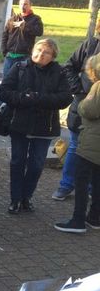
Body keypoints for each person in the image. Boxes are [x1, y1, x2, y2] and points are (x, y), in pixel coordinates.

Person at [0, 38, 72, 214]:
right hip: (20, 124)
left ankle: (26, 197)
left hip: (44, 126)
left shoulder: (59, 73)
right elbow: (4, 91)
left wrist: (39, 98)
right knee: (17, 161)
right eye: (38, 50)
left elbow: (65, 98)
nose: (40, 54)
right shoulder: (20, 68)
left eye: (46, 52)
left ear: (53, 56)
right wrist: (23, 98)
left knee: (36, 164)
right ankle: (15, 199)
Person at [52, 23, 100, 201]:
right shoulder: (91, 44)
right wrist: (79, 90)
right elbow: (69, 66)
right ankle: (66, 185)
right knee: (75, 145)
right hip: (84, 105)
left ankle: (91, 189)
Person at [55, 54, 100, 234]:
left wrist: (81, 105)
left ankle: (78, 220)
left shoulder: (97, 87)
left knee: (81, 180)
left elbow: (89, 110)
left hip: (93, 142)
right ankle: (95, 217)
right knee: (98, 181)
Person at [0, 0, 44, 109]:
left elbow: (39, 32)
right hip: (10, 55)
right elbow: (5, 35)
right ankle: (1, 101)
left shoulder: (35, 19)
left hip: (24, 55)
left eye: (25, 4)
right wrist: (4, 51)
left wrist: (24, 26)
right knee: (6, 80)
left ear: (30, 5)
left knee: (23, 80)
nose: (23, 6)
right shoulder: (13, 18)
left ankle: (19, 102)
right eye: (21, 4)